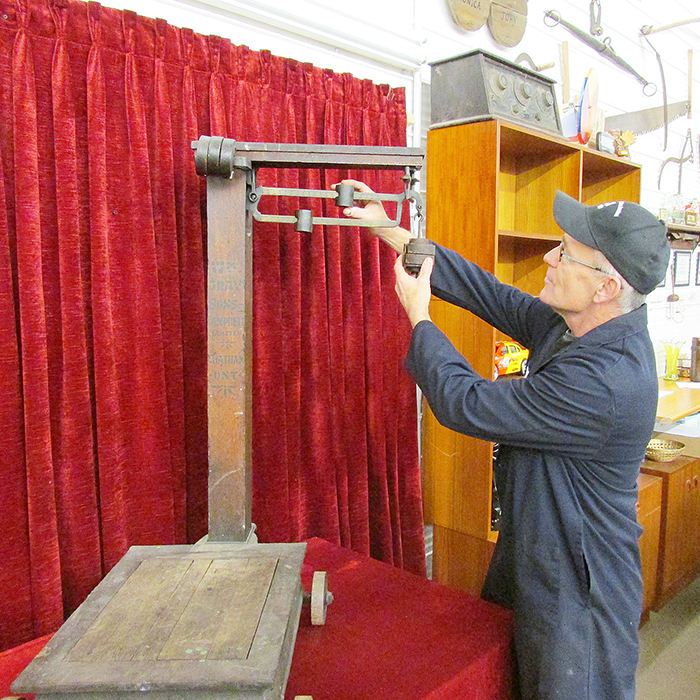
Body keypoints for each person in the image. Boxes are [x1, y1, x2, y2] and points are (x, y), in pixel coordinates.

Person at [336, 180, 670, 700]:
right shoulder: (581, 325)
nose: (549, 256)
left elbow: (465, 402)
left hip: (580, 599)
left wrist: (419, 317)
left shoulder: (605, 382)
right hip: (536, 554)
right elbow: (492, 294)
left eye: (566, 254)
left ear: (606, 287)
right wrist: (390, 230)